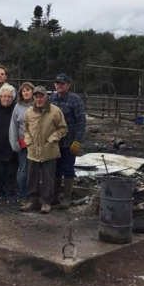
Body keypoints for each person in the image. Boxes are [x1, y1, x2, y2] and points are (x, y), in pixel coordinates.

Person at [21, 86, 67, 214]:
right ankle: (33, 201)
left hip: (49, 150)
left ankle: (46, 202)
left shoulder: (55, 111)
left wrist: (52, 139)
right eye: (36, 97)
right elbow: (25, 128)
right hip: (33, 150)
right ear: (34, 97)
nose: (39, 99)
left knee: (48, 177)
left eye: (41, 97)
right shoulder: (29, 112)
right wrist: (28, 140)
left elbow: (63, 129)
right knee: (32, 176)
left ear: (46, 97)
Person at [50, 73, 86, 209]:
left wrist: (77, 141)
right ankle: (54, 195)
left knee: (68, 169)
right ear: (55, 85)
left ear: (68, 85)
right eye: (57, 83)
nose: (59, 86)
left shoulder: (75, 100)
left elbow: (81, 121)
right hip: (54, 142)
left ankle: (66, 196)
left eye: (62, 84)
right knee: (56, 169)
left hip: (69, 142)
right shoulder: (51, 98)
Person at [9, 82, 35, 200]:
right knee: (23, 169)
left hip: (37, 143)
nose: (26, 92)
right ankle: (23, 195)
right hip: (23, 143)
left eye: (28, 90)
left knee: (35, 170)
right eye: (23, 91)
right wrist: (15, 143)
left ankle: (34, 194)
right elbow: (14, 125)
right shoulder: (18, 106)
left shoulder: (38, 104)